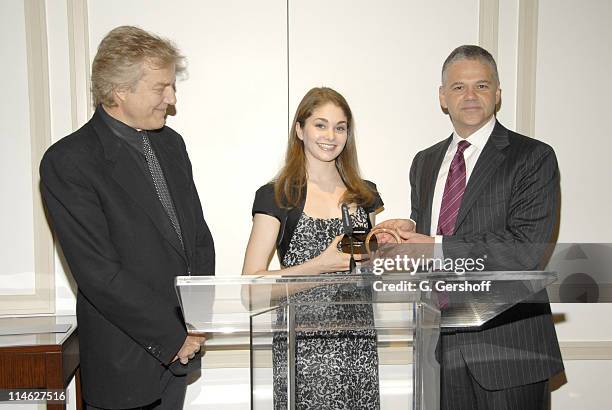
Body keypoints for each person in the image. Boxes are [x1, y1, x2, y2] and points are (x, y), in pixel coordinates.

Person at [375, 45, 564, 409]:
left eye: (481, 85)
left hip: (510, 348)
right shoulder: (424, 162)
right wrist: (406, 231)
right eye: (458, 87)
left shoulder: (533, 157)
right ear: (443, 97)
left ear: (497, 94)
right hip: (440, 345)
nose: (470, 95)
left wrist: (435, 246)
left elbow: (528, 249)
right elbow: (437, 231)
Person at [40, 26, 215, 409]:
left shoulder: (172, 144)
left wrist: (198, 321)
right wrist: (172, 337)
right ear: (120, 90)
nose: (171, 99)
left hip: (183, 353)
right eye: (160, 88)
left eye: (171, 86)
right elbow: (99, 273)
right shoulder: (69, 161)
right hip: (127, 360)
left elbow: (198, 238)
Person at [242, 87, 383, 409]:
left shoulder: (365, 195)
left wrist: (392, 244)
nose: (330, 136)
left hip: (358, 344)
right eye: (320, 124)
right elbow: (251, 289)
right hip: (303, 347)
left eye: (340, 127)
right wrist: (319, 266)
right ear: (299, 130)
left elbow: (373, 271)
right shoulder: (276, 196)